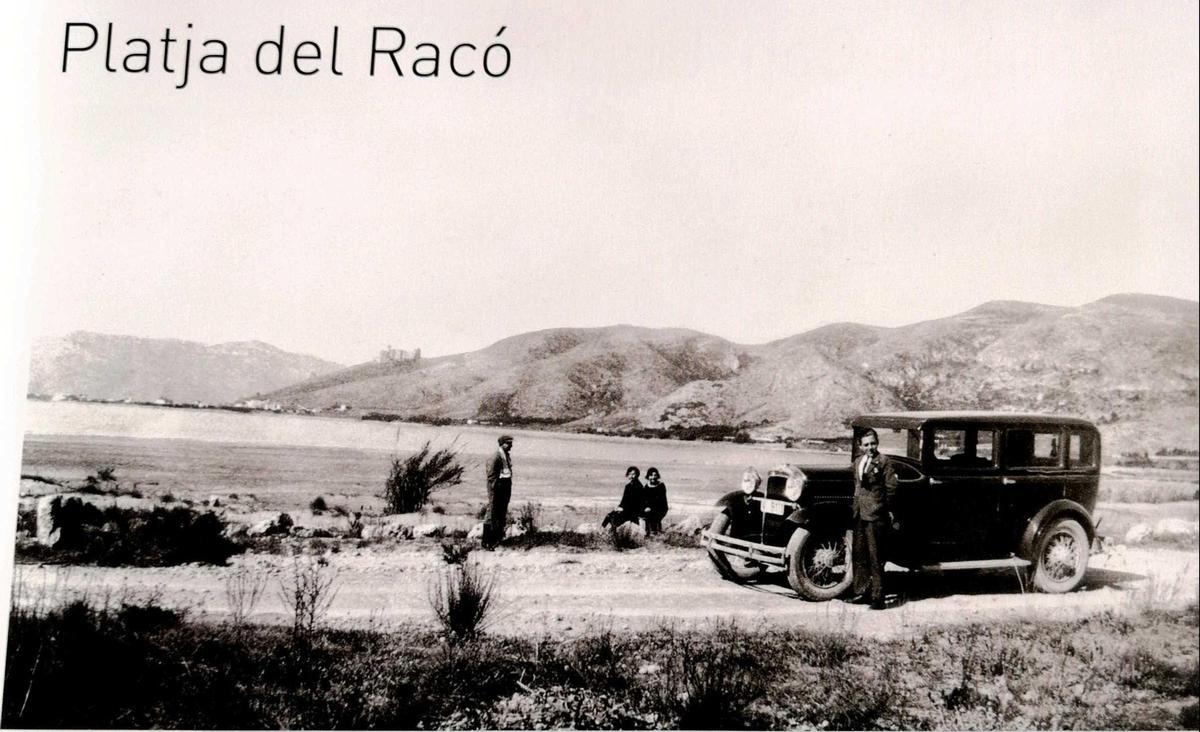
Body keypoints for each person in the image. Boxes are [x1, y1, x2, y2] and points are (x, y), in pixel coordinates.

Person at [850, 428, 898, 610]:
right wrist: (855, 508)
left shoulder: (884, 462)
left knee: (875, 556)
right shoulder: (858, 462)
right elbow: (857, 486)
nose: (870, 447)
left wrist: (884, 509)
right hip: (860, 514)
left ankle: (878, 598)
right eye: (866, 444)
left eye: (873, 443)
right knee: (859, 554)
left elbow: (892, 488)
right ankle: (861, 592)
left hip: (876, 515)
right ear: (860, 446)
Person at [483, 434, 514, 549]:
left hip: (504, 486)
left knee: (501, 512)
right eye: (508, 443)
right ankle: (487, 541)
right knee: (492, 512)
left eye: (511, 443)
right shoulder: (496, 456)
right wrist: (495, 488)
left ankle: (497, 539)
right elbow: (491, 476)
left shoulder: (505, 455)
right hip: (497, 487)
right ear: (502, 444)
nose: (511, 446)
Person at [641, 467, 669, 533]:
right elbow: (644, 500)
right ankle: (647, 532)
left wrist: (650, 508)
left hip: (661, 508)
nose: (653, 477)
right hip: (649, 508)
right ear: (648, 476)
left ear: (657, 476)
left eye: (655, 475)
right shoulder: (646, 487)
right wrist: (645, 507)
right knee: (643, 516)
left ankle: (655, 532)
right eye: (651, 475)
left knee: (653, 517)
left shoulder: (661, 486)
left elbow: (660, 500)